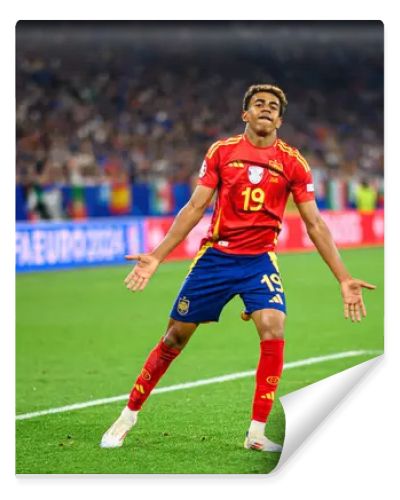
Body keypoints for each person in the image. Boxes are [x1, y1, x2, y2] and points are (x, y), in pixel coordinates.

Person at [100, 84, 376, 452]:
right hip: (216, 259)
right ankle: (128, 415)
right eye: (258, 104)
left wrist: (343, 277)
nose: (266, 109)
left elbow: (315, 224)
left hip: (259, 260)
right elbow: (195, 208)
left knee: (274, 326)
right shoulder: (223, 152)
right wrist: (157, 255)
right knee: (173, 339)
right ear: (245, 114)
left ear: (280, 119)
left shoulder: (293, 163)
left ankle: (257, 432)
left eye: (273, 106)